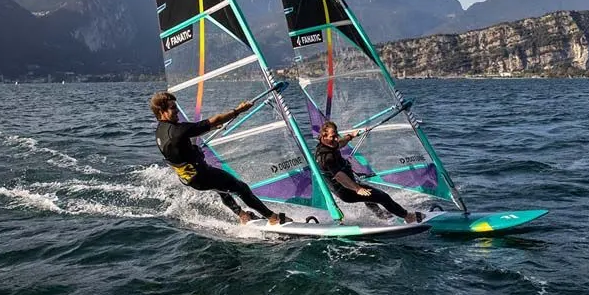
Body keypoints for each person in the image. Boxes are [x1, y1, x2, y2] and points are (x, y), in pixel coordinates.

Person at [150, 91, 290, 225]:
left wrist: (201, 141)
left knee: (221, 189)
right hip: (202, 175)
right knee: (241, 188)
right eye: (173, 108)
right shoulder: (177, 131)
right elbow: (214, 120)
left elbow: (182, 142)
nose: (177, 111)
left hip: (189, 179)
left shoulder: (160, 132)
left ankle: (243, 215)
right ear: (162, 111)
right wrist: (239, 110)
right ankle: (273, 218)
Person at [314, 121, 423, 224]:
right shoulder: (326, 157)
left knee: (369, 197)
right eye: (333, 136)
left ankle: (383, 216)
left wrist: (351, 136)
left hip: (348, 185)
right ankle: (408, 217)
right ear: (323, 136)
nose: (336, 139)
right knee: (383, 197)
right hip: (346, 190)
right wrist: (357, 189)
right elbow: (339, 176)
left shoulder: (329, 144)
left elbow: (340, 143)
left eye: (336, 135)